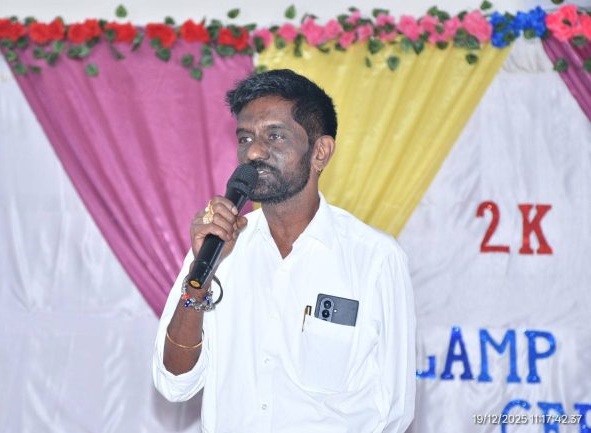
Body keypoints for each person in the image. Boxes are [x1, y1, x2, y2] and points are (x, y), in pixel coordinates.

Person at [153, 69, 416, 433]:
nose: (254, 152)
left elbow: (395, 409)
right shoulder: (218, 246)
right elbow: (174, 382)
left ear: (320, 152)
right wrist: (200, 282)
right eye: (245, 138)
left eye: (274, 136)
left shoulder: (375, 258)